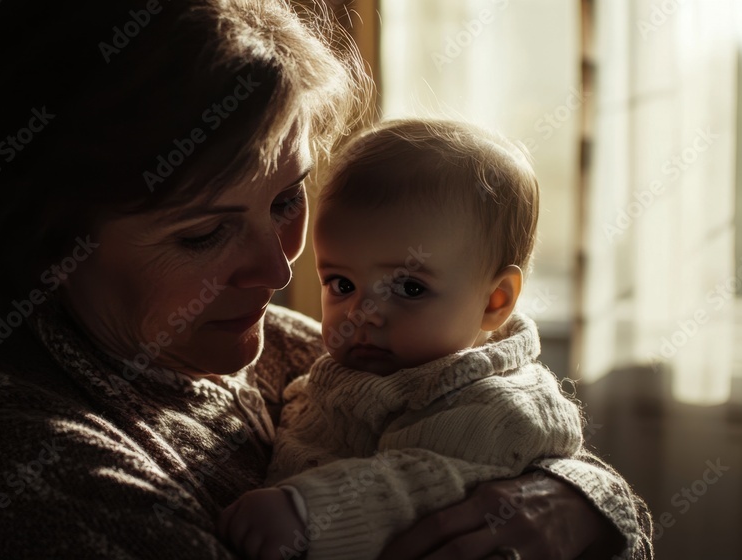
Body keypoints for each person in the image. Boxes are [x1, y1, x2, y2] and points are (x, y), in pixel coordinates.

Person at [0, 1, 653, 559]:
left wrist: (580, 504)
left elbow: (512, 430)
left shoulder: (290, 349)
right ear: (47, 245)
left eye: (288, 200)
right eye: (204, 232)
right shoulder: (16, 470)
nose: (280, 265)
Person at [218, 119, 598, 560]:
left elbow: (428, 487)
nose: (362, 314)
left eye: (409, 288)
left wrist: (306, 512)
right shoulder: (341, 371)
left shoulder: (497, 404)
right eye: (341, 284)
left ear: (495, 301)